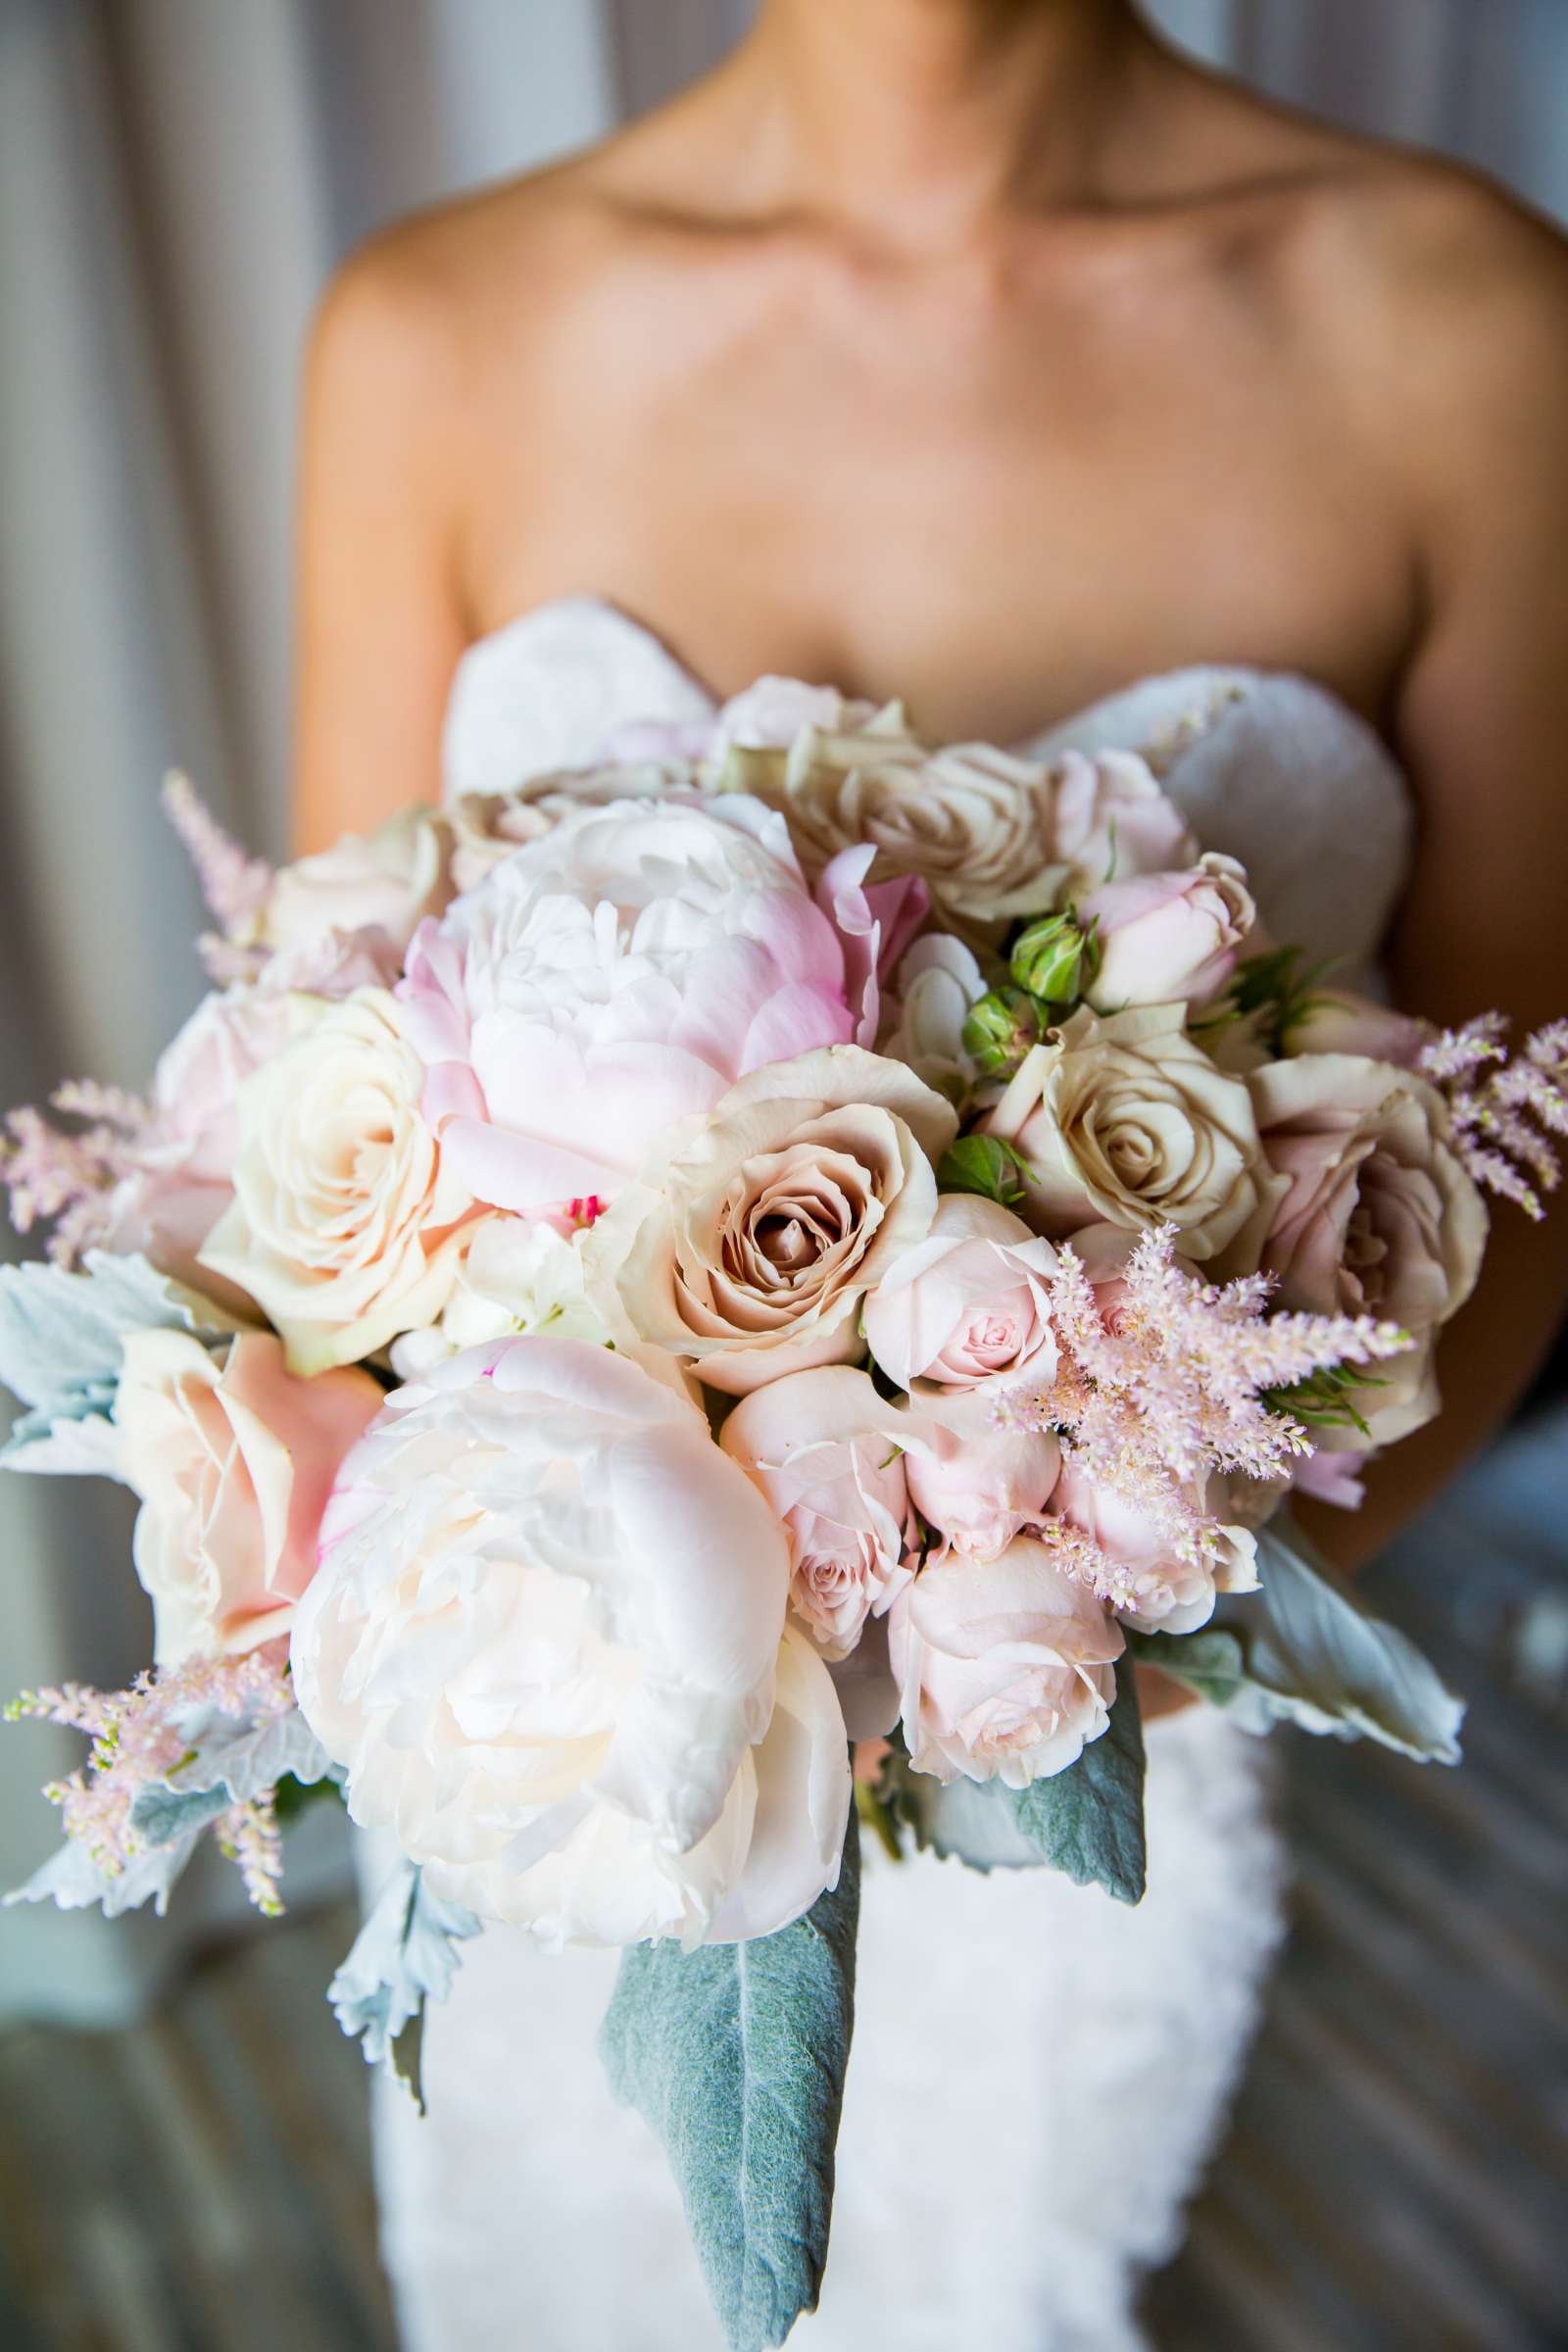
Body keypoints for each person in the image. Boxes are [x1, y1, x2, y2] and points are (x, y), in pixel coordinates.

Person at [293, 4, 1568, 2343]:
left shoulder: (1466, 321)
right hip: (553, 1729)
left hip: (1076, 1718)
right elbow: (318, 1087)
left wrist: (1082, 1617)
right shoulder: (430, 333)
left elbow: (1518, 1157)